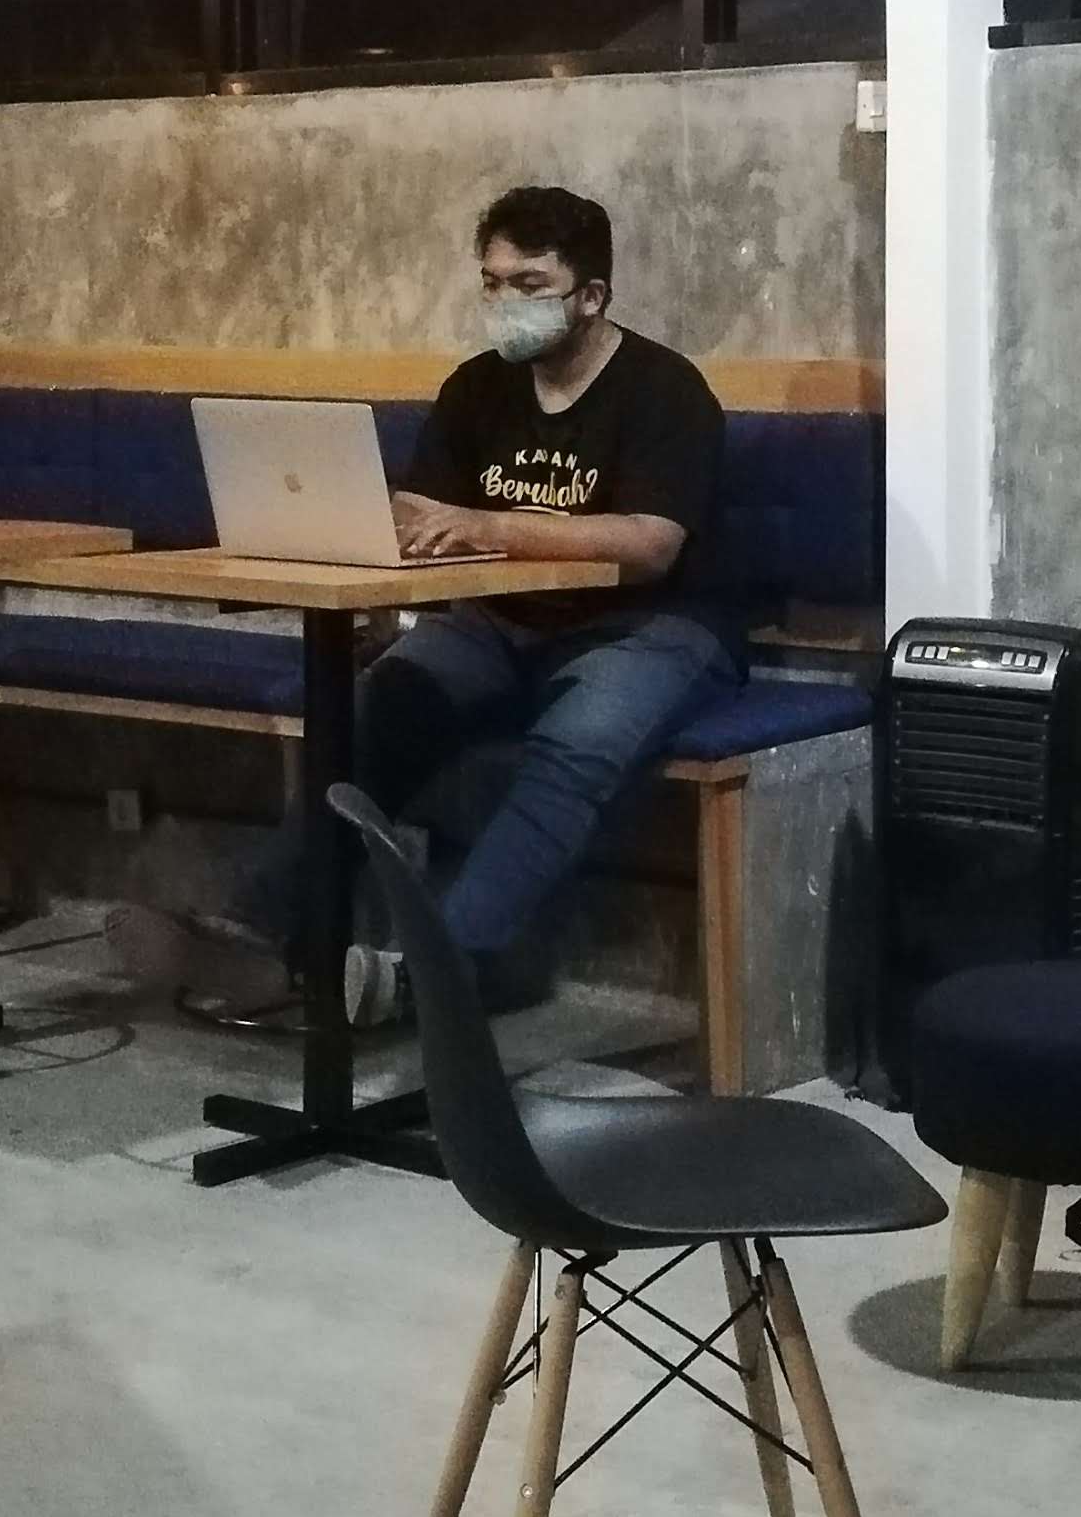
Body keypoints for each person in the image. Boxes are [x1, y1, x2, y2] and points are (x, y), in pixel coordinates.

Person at [115, 184, 741, 1024]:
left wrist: (489, 524)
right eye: (492, 282)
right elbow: (419, 514)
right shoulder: (476, 389)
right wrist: (384, 573)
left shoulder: (666, 391)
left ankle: (436, 970)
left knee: (576, 745)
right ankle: (263, 936)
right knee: (377, 711)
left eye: (530, 285)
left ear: (591, 296)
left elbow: (649, 544)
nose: (505, 302)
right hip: (496, 618)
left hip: (650, 627)